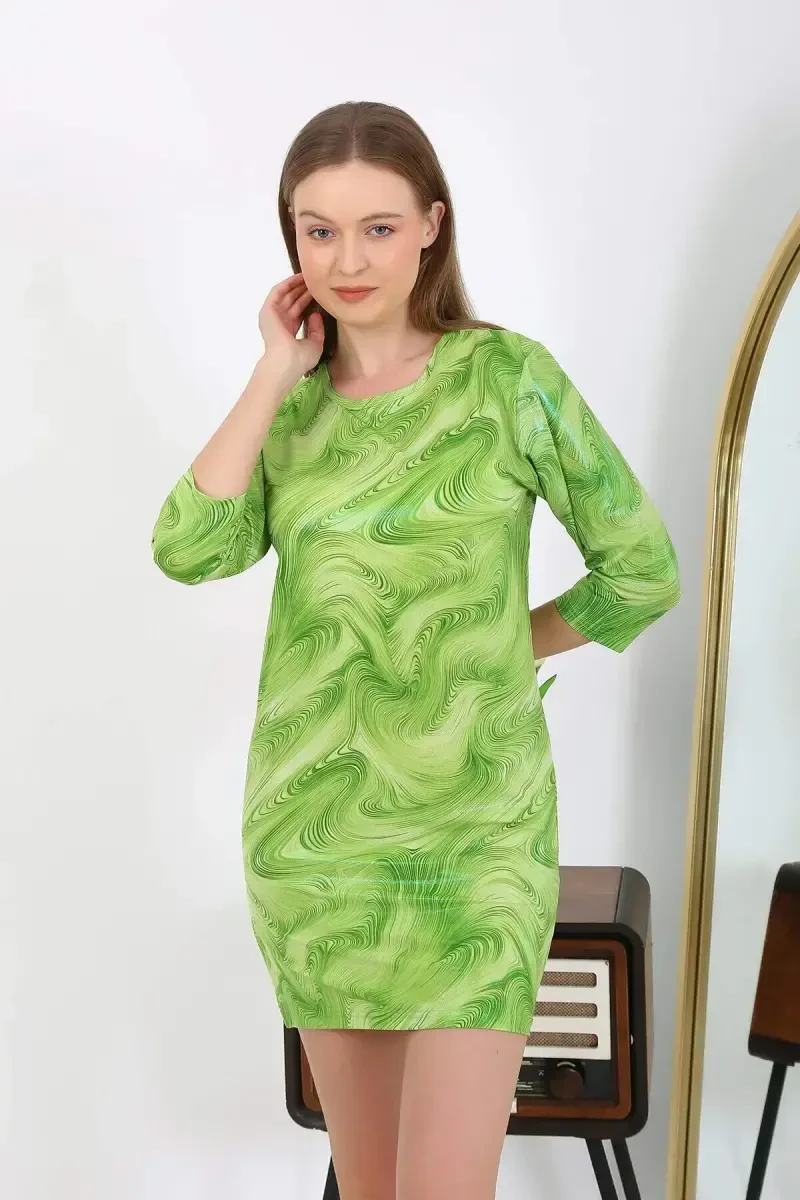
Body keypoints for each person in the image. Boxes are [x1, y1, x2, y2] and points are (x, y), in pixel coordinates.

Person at [151, 100, 681, 1200]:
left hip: (476, 840)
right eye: (319, 231)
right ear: (290, 240)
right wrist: (270, 373)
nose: (348, 261)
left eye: (378, 228)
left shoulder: (506, 380)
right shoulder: (290, 416)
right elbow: (188, 548)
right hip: (318, 844)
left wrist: (495, 644)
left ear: (432, 225)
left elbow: (640, 569)